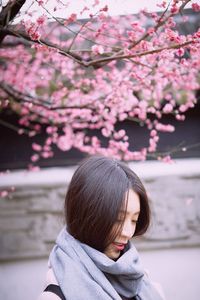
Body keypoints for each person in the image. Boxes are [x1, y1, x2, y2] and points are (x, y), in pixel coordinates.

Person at [38, 155, 165, 300]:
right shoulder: (55, 296)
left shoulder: (144, 283)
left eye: (134, 220)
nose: (128, 233)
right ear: (87, 213)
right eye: (118, 219)